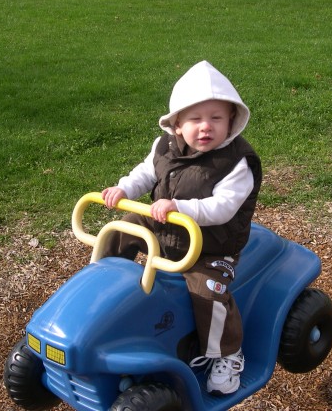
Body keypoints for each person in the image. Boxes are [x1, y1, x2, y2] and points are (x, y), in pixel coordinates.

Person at [101, 60, 262, 395]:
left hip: (210, 246)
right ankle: (103, 290)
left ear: (231, 120)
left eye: (216, 118)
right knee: (121, 230)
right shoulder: (164, 148)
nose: (206, 127)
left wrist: (179, 208)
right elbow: (145, 174)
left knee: (207, 291)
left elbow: (223, 208)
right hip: (164, 226)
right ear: (176, 125)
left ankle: (227, 354)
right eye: (195, 119)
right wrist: (124, 189)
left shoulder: (237, 162)